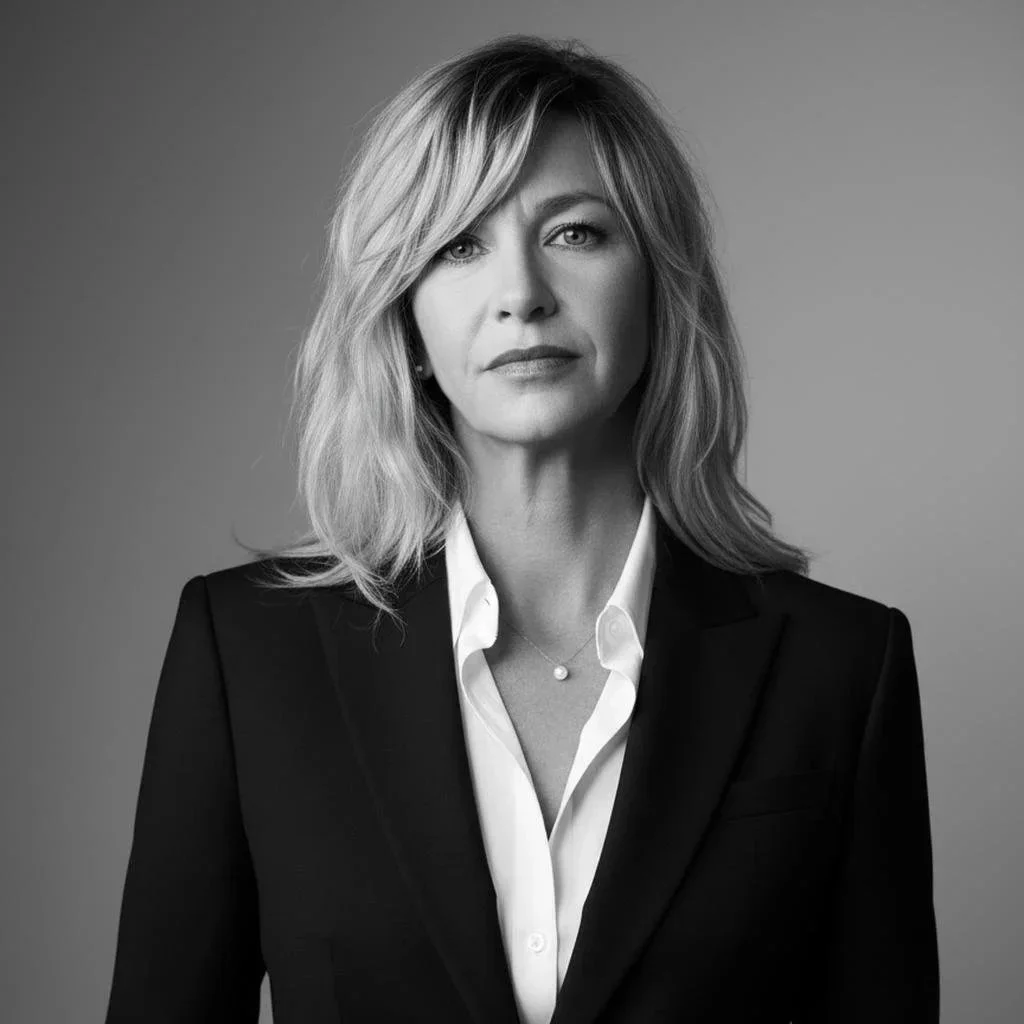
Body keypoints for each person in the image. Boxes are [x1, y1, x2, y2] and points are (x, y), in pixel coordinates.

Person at [104, 33, 939, 1024]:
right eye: (458, 245)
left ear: (659, 286)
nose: (521, 296)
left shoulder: (841, 665)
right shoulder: (246, 653)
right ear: (404, 315)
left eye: (574, 233)